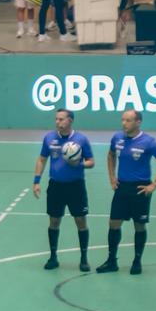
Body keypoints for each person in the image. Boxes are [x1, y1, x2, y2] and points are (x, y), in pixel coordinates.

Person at [99, 108, 156, 275]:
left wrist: (153, 185)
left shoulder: (149, 142)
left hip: (140, 188)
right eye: (123, 120)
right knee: (113, 223)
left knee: (139, 225)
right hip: (122, 188)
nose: (124, 123)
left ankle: (137, 261)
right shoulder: (117, 138)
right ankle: (112, 261)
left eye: (128, 120)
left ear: (138, 122)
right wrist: (112, 177)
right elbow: (110, 155)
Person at [34, 109, 94, 272]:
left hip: (76, 186)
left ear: (70, 121)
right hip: (56, 186)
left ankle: (83, 258)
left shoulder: (81, 139)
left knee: (80, 221)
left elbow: (91, 161)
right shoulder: (49, 138)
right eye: (56, 119)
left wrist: (79, 164)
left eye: (61, 119)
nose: (57, 122)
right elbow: (41, 159)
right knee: (54, 221)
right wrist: (37, 181)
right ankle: (53, 257)